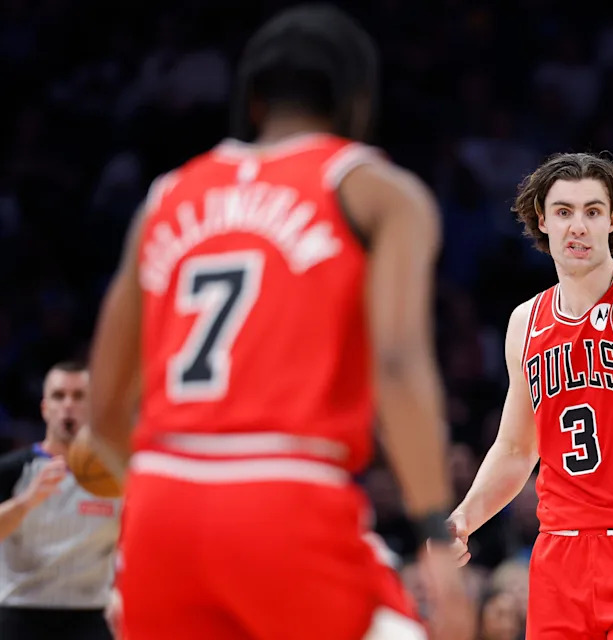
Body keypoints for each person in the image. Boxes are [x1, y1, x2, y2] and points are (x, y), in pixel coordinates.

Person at [86, 5, 472, 639]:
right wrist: (434, 531)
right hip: (287, 493)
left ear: (254, 101)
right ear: (356, 101)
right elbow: (398, 362)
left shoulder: (165, 197)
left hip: (159, 499)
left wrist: (179, 502)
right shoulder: (375, 189)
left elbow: (104, 408)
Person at [448, 152, 613, 638]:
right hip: (559, 555)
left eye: (592, 211)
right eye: (564, 211)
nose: (578, 226)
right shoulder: (526, 322)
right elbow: (516, 448)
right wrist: (464, 517)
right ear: (543, 220)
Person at [0, 361, 120, 640]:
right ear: (45, 408)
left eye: (79, 396)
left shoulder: (115, 475)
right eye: (59, 396)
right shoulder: (12, 470)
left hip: (90, 615)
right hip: (20, 611)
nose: (68, 405)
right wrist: (25, 502)